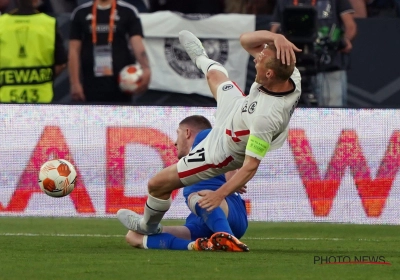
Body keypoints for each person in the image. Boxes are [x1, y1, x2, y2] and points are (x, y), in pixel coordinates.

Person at [116, 29, 301, 239]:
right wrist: (276, 37)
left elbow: (250, 165)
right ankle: (200, 57)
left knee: (157, 184)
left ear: (269, 74)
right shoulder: (289, 72)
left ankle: (147, 226)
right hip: (239, 109)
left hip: (223, 147)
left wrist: (220, 194)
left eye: (259, 62)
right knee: (214, 74)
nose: (255, 61)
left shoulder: (266, 116)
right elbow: (245, 40)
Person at [118, 115, 249, 251]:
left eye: (177, 133)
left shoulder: (204, 136)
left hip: (229, 210)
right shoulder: (190, 164)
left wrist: (233, 175)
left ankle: (227, 237)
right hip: (202, 220)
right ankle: (198, 245)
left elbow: (226, 144)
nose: (175, 142)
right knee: (133, 236)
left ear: (187, 133)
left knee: (196, 197)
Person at [270, 0, 357, 107]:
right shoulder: (284, 1)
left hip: (330, 63)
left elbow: (350, 26)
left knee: (333, 113)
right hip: (294, 65)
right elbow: (274, 32)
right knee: (291, 110)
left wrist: (345, 41)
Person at [68, 0, 151, 103]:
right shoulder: (80, 12)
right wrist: (75, 83)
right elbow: (73, 50)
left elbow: (137, 43)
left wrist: (146, 68)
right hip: (90, 83)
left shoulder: (128, 11)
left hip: (122, 81)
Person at [0, 0, 67, 103]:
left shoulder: (2, 24)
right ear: (36, 1)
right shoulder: (48, 23)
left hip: (6, 101)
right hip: (41, 99)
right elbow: (61, 63)